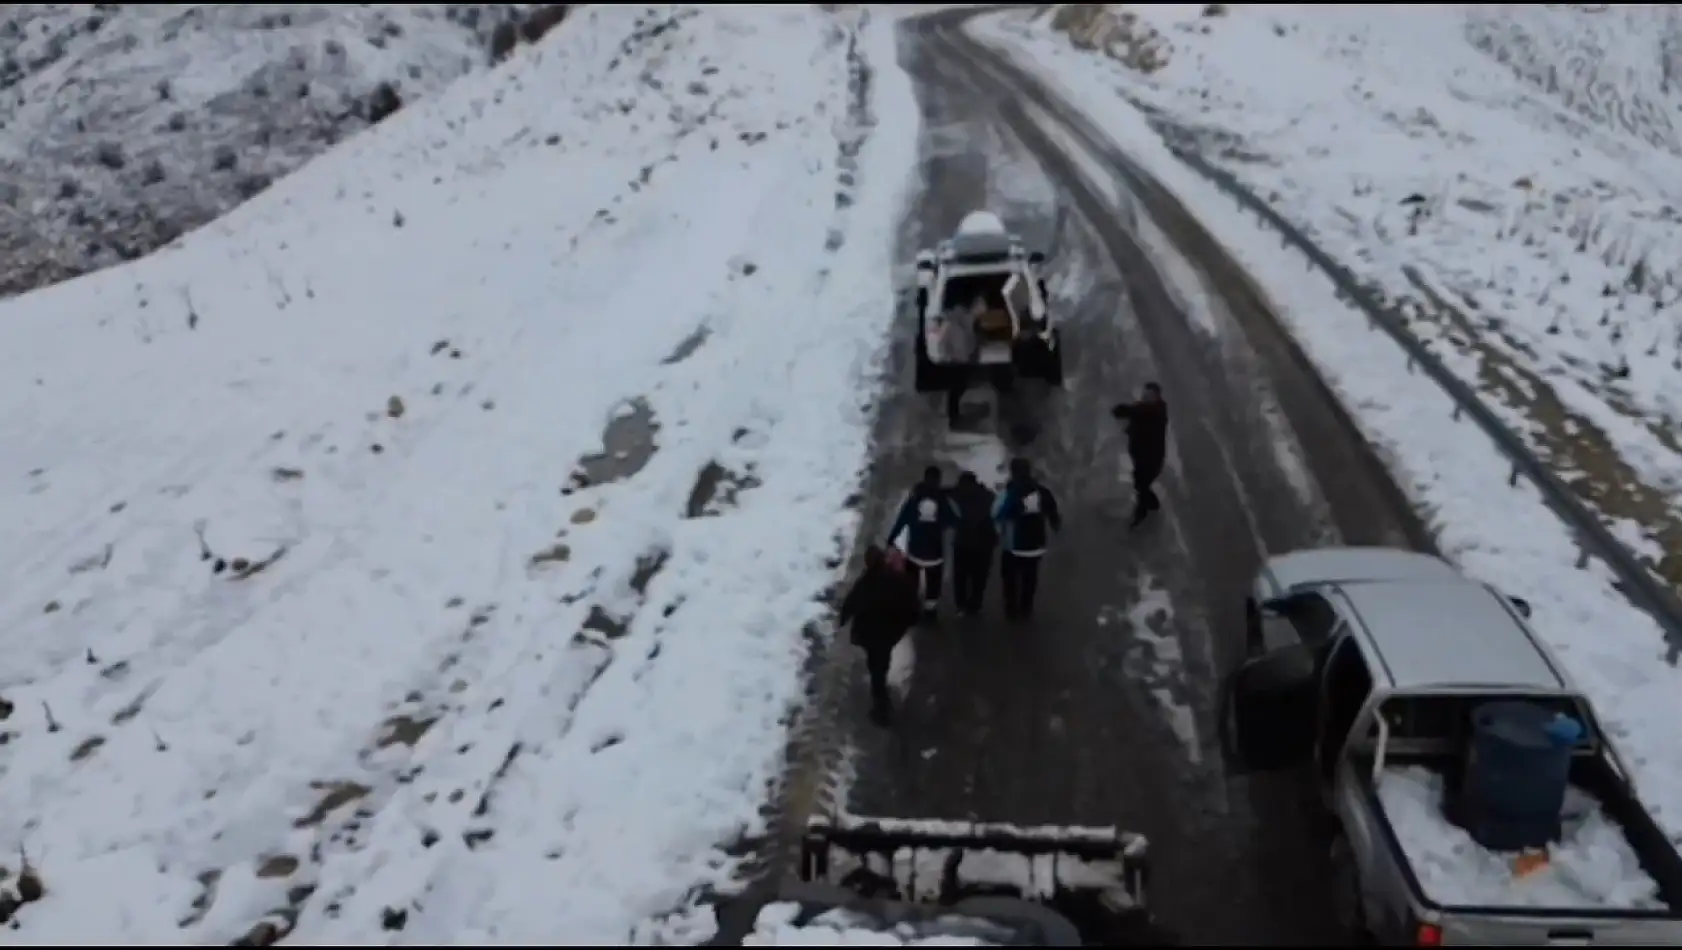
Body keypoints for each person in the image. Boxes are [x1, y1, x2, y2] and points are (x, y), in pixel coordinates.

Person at [838, 544, 921, 726]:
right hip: (890, 633)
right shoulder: (898, 580)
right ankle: (881, 687)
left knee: (875, 667)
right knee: (882, 661)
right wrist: (910, 621)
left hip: (870, 635)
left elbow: (851, 603)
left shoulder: (865, 583)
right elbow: (912, 603)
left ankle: (881, 709)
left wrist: (842, 619)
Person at [992, 458, 1061, 621]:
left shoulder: (1012, 492)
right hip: (1036, 543)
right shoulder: (1042, 491)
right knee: (1030, 576)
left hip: (1014, 545)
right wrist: (1054, 524)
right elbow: (1053, 512)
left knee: (1010, 577)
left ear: (1013, 472)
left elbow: (999, 515)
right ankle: (1026, 607)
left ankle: (1011, 609)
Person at [888, 465, 960, 622]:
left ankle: (912, 608)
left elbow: (902, 519)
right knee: (933, 583)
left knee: (912, 582)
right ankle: (930, 611)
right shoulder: (942, 499)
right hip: (935, 552)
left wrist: (891, 538)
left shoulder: (915, 497)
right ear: (938, 480)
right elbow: (952, 521)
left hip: (915, 550)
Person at [1110, 382, 1169, 527]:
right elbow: (1137, 418)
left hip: (1151, 459)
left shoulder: (1157, 412)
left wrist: (1127, 411)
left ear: (1157, 397)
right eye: (1146, 393)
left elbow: (1142, 413)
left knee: (1141, 485)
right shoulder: (1144, 409)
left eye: (1151, 395)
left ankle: (1141, 515)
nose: (1147, 397)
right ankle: (1152, 505)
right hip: (1141, 456)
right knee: (1140, 483)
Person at [948, 470, 997, 616]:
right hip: (985, 543)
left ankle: (961, 605)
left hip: (963, 542)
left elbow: (943, 492)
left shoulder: (957, 494)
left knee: (960, 576)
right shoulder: (989, 495)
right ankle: (975, 604)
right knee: (980, 576)